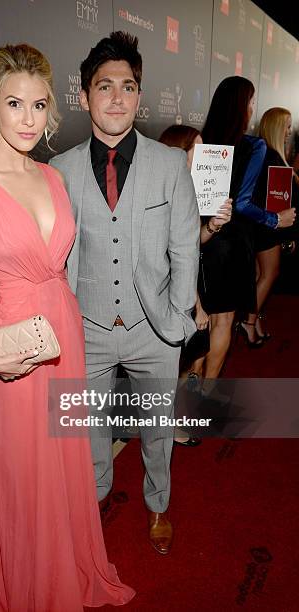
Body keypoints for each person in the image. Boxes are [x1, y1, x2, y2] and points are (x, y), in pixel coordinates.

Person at [0, 32, 200, 555]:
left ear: (138, 95)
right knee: (89, 438)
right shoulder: (56, 171)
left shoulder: (170, 165)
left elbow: (186, 247)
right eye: (105, 87)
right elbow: (38, 246)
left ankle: (157, 505)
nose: (117, 98)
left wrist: (176, 315)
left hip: (156, 332)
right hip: (86, 331)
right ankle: (94, 503)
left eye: (128, 87)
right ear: (85, 97)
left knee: (156, 430)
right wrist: (4, 277)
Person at [0, 43, 135, 611]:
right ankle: (31, 588)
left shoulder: (52, 176)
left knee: (67, 459)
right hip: (17, 348)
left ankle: (71, 570)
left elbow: (60, 261)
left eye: (39, 105)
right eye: (14, 104)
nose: (28, 119)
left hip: (65, 334)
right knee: (28, 473)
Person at [195, 76, 287, 382]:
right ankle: (207, 394)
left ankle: (189, 394)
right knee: (223, 322)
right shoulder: (254, 146)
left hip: (200, 240)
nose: (252, 108)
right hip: (232, 242)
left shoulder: (199, 141)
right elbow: (243, 202)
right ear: (240, 107)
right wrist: (276, 220)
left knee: (200, 320)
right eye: (250, 101)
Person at [158, 125, 232, 442]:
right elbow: (172, 257)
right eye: (195, 151)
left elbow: (190, 245)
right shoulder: (165, 192)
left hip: (182, 288)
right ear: (177, 152)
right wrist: (197, 305)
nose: (201, 158)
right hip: (166, 293)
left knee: (187, 358)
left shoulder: (187, 190)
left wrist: (212, 226)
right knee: (174, 361)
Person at [241, 107, 297, 343]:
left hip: (259, 224)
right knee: (269, 274)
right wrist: (285, 232)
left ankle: (254, 318)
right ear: (276, 127)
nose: (289, 130)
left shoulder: (262, 153)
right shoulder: (272, 157)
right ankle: (248, 322)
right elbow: (276, 201)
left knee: (258, 275)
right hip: (269, 227)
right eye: (287, 125)